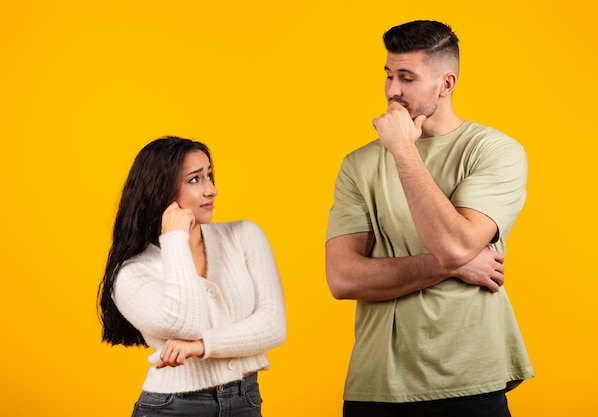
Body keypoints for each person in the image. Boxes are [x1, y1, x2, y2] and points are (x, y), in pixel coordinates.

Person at [325, 20, 534, 417]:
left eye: (406, 77)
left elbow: (454, 244)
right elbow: (343, 278)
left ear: (446, 83)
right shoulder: (358, 164)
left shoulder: (494, 151)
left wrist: (404, 150)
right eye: (388, 75)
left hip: (471, 377)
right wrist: (456, 266)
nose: (391, 90)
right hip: (378, 384)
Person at [98, 136, 286, 417]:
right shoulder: (130, 274)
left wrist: (201, 346)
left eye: (209, 175)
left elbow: (273, 326)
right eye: (195, 180)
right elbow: (185, 323)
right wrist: (174, 238)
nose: (212, 190)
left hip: (245, 400)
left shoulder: (244, 236)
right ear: (160, 190)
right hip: (173, 407)